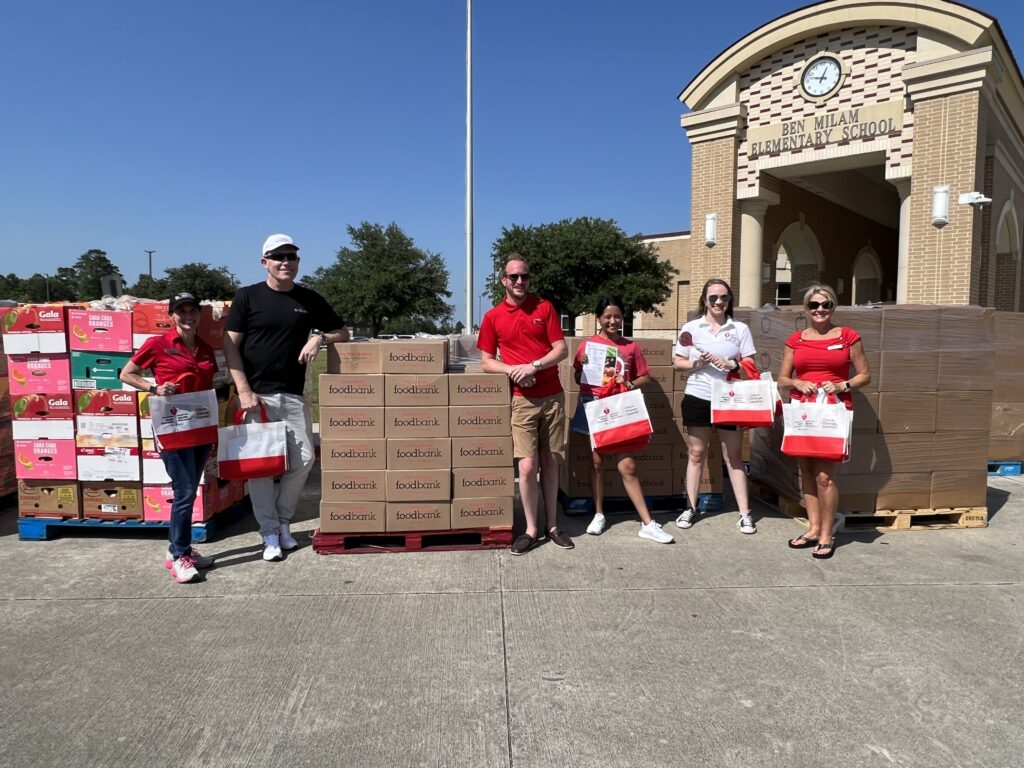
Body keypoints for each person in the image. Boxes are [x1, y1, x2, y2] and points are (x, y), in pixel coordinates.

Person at [224, 234, 349, 562]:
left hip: (292, 395)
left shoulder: (308, 299)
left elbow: (343, 331)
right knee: (262, 468)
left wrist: (319, 337)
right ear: (264, 262)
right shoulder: (247, 297)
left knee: (304, 458)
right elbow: (229, 347)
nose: (285, 262)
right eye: (278, 257)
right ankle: (268, 532)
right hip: (256, 398)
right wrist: (244, 391)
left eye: (291, 257)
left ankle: (282, 522)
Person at [120, 292, 218, 583]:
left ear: (199, 315)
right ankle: (178, 555)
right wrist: (154, 388)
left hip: (199, 425)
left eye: (192, 311)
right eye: (181, 312)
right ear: (172, 316)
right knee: (185, 490)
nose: (188, 317)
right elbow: (127, 373)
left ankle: (182, 548)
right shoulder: (159, 344)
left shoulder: (204, 347)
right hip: (171, 426)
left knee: (191, 488)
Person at [478, 256, 570, 555]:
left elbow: (561, 349)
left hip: (552, 395)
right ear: (503, 280)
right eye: (513, 277)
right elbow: (487, 362)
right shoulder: (493, 317)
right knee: (528, 467)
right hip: (522, 401)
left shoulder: (544, 308)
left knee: (552, 461)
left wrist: (534, 366)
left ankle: (552, 526)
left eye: (525, 277)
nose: (520, 282)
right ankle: (531, 529)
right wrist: (514, 370)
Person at [777, 284, 871, 560]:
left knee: (825, 476)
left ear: (833, 307)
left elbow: (865, 374)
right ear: (806, 308)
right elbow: (783, 378)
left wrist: (844, 384)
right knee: (806, 471)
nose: (820, 310)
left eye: (825, 304)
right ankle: (813, 528)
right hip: (803, 410)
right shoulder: (795, 340)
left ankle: (828, 534)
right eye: (814, 305)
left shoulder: (848, 337)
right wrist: (797, 381)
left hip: (833, 409)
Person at [570, 297, 674, 543]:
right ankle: (598, 514)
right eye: (607, 316)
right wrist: (581, 366)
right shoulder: (587, 346)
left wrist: (627, 383)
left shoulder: (631, 348)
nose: (613, 321)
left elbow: (646, 376)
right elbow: (577, 377)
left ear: (623, 318)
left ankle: (647, 523)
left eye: (617, 316)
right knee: (596, 463)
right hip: (592, 406)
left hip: (619, 408)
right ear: (598, 319)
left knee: (627, 465)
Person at [672, 278, 758, 535]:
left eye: (724, 297)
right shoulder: (691, 328)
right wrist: (698, 363)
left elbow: (749, 364)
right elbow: (678, 363)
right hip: (698, 396)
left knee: (733, 456)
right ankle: (690, 507)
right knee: (696, 454)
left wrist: (731, 364)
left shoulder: (740, 329)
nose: (719, 302)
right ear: (705, 301)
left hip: (729, 398)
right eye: (713, 298)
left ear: (730, 301)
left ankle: (745, 514)